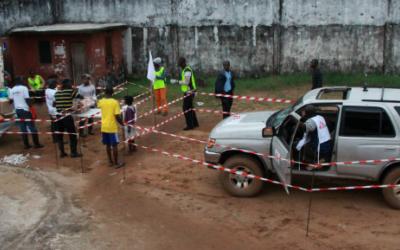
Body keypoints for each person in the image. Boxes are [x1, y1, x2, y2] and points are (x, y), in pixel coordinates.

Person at [8, 76, 43, 149]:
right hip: (25, 110)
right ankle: (36, 144)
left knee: (22, 127)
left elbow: (10, 101)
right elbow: (27, 99)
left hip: (18, 110)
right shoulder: (24, 88)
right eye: (23, 79)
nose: (24, 81)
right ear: (21, 80)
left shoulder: (12, 89)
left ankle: (26, 145)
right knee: (32, 127)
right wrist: (32, 108)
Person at [97, 87, 125, 168]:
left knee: (108, 145)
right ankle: (116, 163)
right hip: (112, 127)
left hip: (104, 126)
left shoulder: (101, 101)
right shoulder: (115, 102)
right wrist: (122, 124)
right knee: (115, 145)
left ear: (105, 93)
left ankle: (110, 162)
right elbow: (117, 116)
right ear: (112, 93)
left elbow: (98, 104)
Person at [54, 79, 81, 158]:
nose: (71, 85)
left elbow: (54, 104)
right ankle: (73, 153)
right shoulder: (71, 91)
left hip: (58, 116)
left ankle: (62, 153)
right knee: (72, 135)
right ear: (68, 84)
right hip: (67, 116)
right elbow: (80, 97)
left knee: (60, 136)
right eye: (70, 83)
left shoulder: (57, 93)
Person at [172, 57, 199, 130]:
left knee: (185, 108)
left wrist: (176, 81)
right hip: (189, 91)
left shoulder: (187, 70)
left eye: (180, 64)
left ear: (183, 63)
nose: (179, 66)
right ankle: (195, 123)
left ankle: (190, 125)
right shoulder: (185, 69)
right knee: (190, 107)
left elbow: (186, 82)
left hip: (189, 91)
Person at [45, 78, 58, 143]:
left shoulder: (47, 90)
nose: (56, 85)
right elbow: (54, 103)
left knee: (53, 124)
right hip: (55, 110)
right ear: (52, 84)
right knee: (57, 125)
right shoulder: (54, 92)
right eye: (55, 83)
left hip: (50, 110)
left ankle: (55, 139)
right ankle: (57, 139)